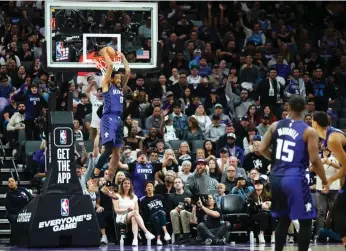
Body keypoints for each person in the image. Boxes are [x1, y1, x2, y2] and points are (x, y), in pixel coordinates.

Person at [259, 95, 329, 251]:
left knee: (283, 219)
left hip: (276, 177)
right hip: (294, 178)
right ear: (304, 109)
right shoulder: (309, 131)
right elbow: (316, 160)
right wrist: (324, 180)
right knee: (305, 221)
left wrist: (276, 161)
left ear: (288, 108)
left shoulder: (275, 125)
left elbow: (261, 148)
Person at [92, 47, 130, 199]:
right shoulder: (107, 85)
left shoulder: (121, 89)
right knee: (108, 149)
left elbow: (128, 72)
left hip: (119, 120)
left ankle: (107, 184)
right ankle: (94, 179)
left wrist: (123, 56)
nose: (120, 80)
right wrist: (105, 53)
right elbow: (108, 67)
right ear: (112, 79)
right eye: (118, 78)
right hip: (108, 118)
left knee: (117, 155)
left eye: (121, 79)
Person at [312, 111, 346, 249]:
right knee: (337, 212)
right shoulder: (330, 136)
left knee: (338, 212)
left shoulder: (332, 140)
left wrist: (330, 179)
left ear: (314, 123)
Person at [113, 178, 155, 246]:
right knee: (134, 213)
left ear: (130, 185)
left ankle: (135, 239)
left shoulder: (134, 197)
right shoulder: (117, 196)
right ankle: (146, 232)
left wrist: (131, 212)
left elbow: (137, 210)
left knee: (134, 217)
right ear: (122, 185)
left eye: (128, 183)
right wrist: (127, 210)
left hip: (132, 215)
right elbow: (116, 210)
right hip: (121, 216)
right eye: (125, 183)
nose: (127, 185)